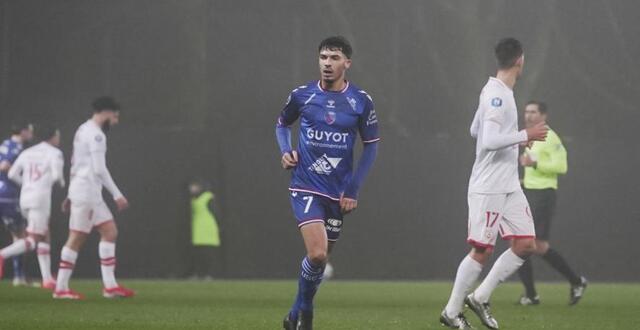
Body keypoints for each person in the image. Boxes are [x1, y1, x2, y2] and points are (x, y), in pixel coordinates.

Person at [439, 38, 548, 329]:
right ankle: (451, 311)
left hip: (509, 184)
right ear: (520, 61)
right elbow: (487, 141)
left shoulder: (494, 91)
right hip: (488, 186)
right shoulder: (498, 96)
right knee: (482, 251)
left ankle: (480, 297)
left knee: (526, 244)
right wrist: (526, 135)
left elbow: (474, 129)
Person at [276, 36, 379, 330]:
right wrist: (286, 151)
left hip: (338, 192)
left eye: (334, 58)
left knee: (320, 261)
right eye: (323, 57)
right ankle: (306, 316)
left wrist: (353, 189)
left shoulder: (360, 101)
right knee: (318, 253)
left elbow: (371, 145)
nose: (327, 64)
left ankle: (295, 313)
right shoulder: (302, 95)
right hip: (305, 185)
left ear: (347, 63)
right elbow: (282, 123)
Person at [53, 96, 134, 299]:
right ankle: (61, 288)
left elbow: (77, 165)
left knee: (109, 231)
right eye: (115, 116)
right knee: (77, 237)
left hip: (86, 192)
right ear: (106, 112)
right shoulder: (97, 135)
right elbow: (98, 169)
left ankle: (110, 286)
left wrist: (71, 193)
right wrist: (117, 195)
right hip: (87, 193)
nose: (115, 121)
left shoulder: (82, 129)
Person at [517, 101, 587, 306]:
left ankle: (532, 294)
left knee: (523, 244)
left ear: (544, 116)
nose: (528, 115)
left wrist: (535, 163)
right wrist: (523, 181)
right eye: (526, 111)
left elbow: (561, 166)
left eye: (533, 112)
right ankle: (575, 282)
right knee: (535, 246)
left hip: (544, 196)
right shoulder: (531, 136)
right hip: (530, 193)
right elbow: (532, 170)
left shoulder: (550, 136)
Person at [0, 126, 64, 290]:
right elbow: (57, 176)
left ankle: (47, 279)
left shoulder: (27, 152)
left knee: (43, 234)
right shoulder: (54, 153)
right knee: (33, 238)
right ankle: (2, 255)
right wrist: (57, 183)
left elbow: (12, 173)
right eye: (58, 136)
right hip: (39, 199)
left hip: (24, 198)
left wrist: (27, 185)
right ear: (53, 137)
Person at [0, 122, 34, 286]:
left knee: (19, 235)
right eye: (30, 131)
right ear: (23, 131)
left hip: (3, 193)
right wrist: (24, 184)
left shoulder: (5, 144)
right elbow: (4, 166)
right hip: (8, 196)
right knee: (20, 236)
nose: (31, 134)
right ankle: (18, 276)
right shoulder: (16, 147)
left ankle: (19, 276)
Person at [188, 179, 221, 279]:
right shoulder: (193, 199)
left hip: (208, 227)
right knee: (197, 253)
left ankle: (208, 274)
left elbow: (216, 212)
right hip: (197, 228)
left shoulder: (208, 197)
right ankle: (197, 274)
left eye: (193, 186)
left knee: (208, 253)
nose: (191, 188)